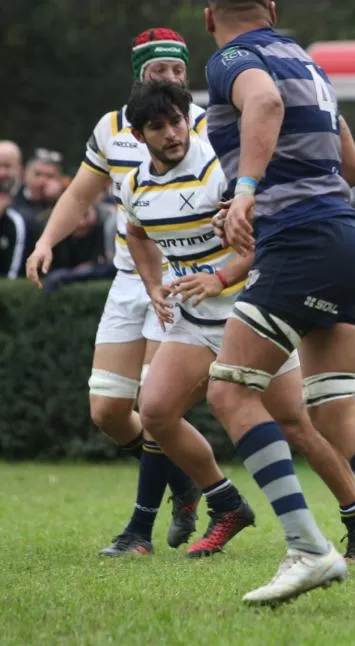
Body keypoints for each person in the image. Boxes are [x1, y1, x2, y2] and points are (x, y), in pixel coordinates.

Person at [199, 0, 355, 608]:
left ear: (210, 14)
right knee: (336, 410)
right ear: (271, 7)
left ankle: (308, 549)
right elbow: (346, 165)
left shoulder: (231, 58)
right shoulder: (305, 62)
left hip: (304, 244)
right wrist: (267, 193)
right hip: (349, 240)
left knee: (230, 391)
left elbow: (263, 104)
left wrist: (245, 193)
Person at [117, 79, 355, 562]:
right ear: (139, 136)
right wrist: (153, 285)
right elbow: (135, 233)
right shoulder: (134, 183)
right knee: (153, 412)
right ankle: (226, 502)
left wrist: (219, 277)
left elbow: (264, 242)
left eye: (177, 121)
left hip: (253, 312)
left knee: (297, 424)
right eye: (158, 127)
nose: (172, 133)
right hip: (195, 322)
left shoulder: (222, 167)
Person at [24, 27, 206, 557]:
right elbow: (81, 193)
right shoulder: (111, 129)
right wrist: (46, 243)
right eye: (159, 72)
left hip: (183, 280)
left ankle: (138, 532)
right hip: (131, 278)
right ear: (138, 78)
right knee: (107, 411)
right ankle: (181, 480)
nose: (171, 80)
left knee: (153, 406)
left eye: (178, 71)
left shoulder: (207, 126)